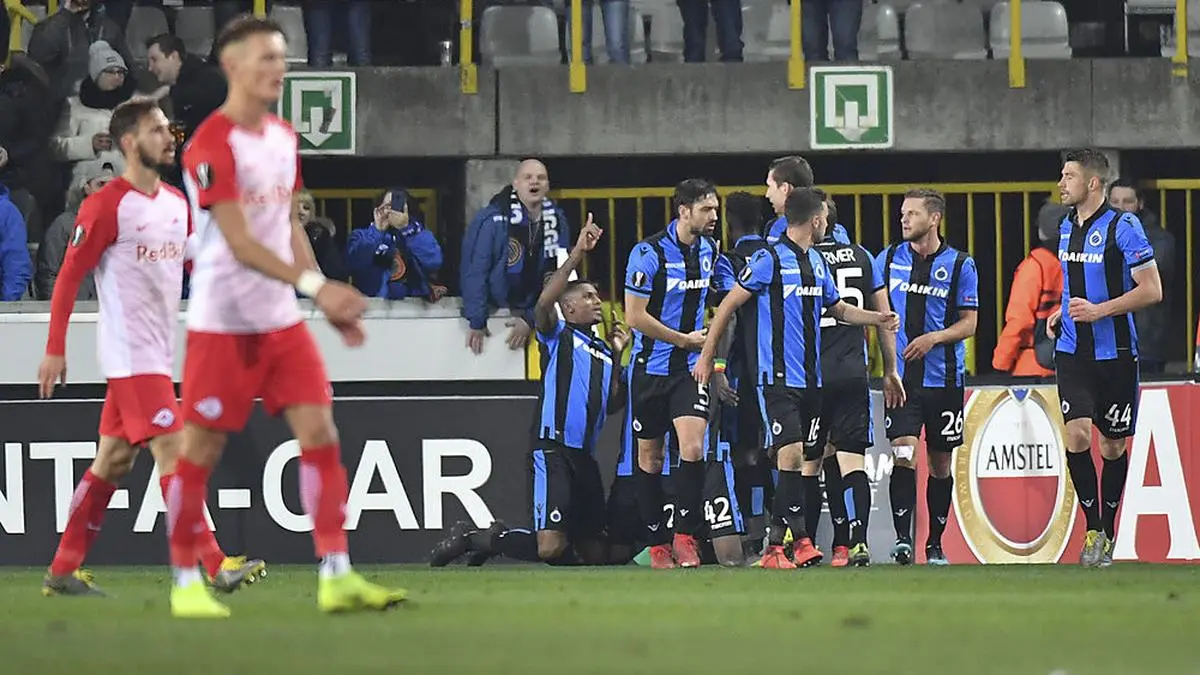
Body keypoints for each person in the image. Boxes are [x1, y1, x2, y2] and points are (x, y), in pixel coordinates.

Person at [171, 15, 406, 619]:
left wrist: (321, 293)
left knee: (321, 432)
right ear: (232, 66)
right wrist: (316, 288)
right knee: (198, 451)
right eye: (266, 58)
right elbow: (240, 241)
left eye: (282, 57)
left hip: (280, 319)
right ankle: (186, 583)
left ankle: (336, 574)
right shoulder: (209, 144)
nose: (279, 68)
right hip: (223, 323)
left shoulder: (282, 137)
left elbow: (288, 227)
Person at [36, 99, 264, 597]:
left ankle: (63, 569)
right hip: (130, 357)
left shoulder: (176, 204)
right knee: (176, 454)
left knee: (112, 464)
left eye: (170, 129)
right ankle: (215, 563)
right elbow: (69, 277)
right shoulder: (107, 205)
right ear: (128, 142)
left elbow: (196, 266)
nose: (169, 137)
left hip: (157, 356)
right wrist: (55, 348)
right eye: (157, 130)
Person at [695, 187, 898, 569]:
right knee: (790, 454)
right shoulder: (768, 259)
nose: (826, 224)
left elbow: (838, 309)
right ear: (816, 219)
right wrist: (709, 358)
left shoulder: (817, 262)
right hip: (775, 379)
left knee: (797, 459)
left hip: (812, 381)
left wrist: (877, 318)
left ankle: (780, 544)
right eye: (824, 218)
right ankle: (795, 542)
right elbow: (727, 306)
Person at [429, 217, 628, 567]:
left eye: (597, 296)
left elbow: (612, 404)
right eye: (588, 296)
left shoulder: (603, 349)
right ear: (568, 307)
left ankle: (497, 537)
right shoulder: (558, 335)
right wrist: (578, 253)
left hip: (585, 457)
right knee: (550, 548)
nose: (597, 301)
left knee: (596, 553)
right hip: (553, 449)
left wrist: (616, 351)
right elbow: (541, 307)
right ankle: (477, 538)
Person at [1048, 150, 1162, 567]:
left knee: (1112, 446)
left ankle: (1108, 532)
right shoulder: (1065, 226)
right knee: (1077, 435)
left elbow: (1151, 289)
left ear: (1092, 183)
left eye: (1069, 176)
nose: (1061, 184)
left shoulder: (1123, 226)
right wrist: (1061, 311)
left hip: (1115, 353)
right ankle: (1093, 527)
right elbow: (1075, 283)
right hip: (1072, 351)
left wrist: (1099, 311)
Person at [876, 188, 979, 567]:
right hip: (902, 381)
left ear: (934, 218)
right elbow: (879, 316)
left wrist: (933, 338)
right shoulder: (888, 259)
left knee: (940, 465)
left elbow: (970, 324)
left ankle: (935, 544)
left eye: (913, 213)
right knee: (903, 452)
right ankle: (903, 541)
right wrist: (888, 368)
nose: (904, 219)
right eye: (903, 212)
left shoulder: (960, 265)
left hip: (944, 380)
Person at [622, 178, 720, 569]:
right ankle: (657, 542)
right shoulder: (648, 253)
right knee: (651, 456)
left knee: (693, 447)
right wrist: (683, 339)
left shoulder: (711, 251)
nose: (714, 216)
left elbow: (725, 298)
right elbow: (634, 317)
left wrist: (709, 350)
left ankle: (684, 536)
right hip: (649, 368)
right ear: (683, 211)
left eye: (715, 209)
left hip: (688, 371)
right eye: (706, 209)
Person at [812, 193, 898, 568]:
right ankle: (857, 542)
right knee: (851, 460)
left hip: (810, 374)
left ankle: (820, 545)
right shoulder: (863, 256)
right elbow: (884, 317)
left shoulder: (801, 257)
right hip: (851, 371)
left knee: (811, 462)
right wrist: (890, 369)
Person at [460, 158, 571, 356]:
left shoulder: (558, 222)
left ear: (547, 186)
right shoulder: (492, 219)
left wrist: (531, 318)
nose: (534, 181)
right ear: (516, 184)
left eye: (540, 178)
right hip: (496, 314)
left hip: (536, 316)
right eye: (528, 177)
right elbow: (476, 271)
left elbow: (561, 273)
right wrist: (477, 320)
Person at [1108, 178, 1174, 376]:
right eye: (1115, 201)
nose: (1120, 207)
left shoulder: (1160, 239)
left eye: (1127, 201)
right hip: (1108, 341)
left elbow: (1139, 278)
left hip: (1145, 341)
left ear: (1140, 204)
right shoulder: (1100, 235)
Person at [992, 201, 1066, 377]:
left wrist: (1000, 364)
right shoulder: (1083, 262)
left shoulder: (1036, 266)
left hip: (1035, 367)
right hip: (1074, 366)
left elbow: (1020, 320)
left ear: (1041, 230)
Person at [346, 188, 445, 300]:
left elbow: (434, 263)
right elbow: (354, 265)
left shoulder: (418, 235)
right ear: (378, 209)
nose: (392, 211)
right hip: (373, 306)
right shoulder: (361, 236)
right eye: (387, 206)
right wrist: (377, 232)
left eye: (397, 206)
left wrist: (407, 230)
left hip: (413, 306)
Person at [763, 155, 851, 247]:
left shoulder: (776, 229)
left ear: (785, 188)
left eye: (770, 186)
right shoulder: (839, 231)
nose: (767, 194)